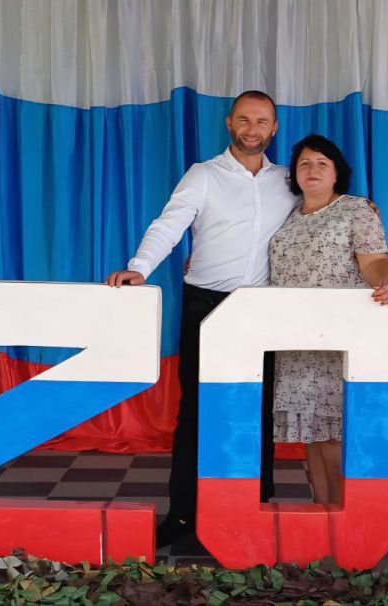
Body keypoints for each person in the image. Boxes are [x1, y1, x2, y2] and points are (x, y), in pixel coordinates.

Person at [105, 91, 298, 548]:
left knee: (258, 410)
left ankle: (255, 507)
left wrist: (360, 208)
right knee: (195, 410)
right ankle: (183, 516)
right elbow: (169, 225)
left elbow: (322, 210)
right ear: (229, 123)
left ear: (274, 128)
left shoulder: (288, 181)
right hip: (206, 305)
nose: (252, 129)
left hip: (262, 309)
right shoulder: (204, 175)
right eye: (244, 120)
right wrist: (140, 267)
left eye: (262, 121)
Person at [268, 134, 388, 504]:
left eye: (322, 164)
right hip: (295, 341)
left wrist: (385, 283)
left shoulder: (356, 210)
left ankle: (345, 519)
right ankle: (322, 513)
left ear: (337, 172)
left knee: (335, 435)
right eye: (305, 163)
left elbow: (374, 260)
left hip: (339, 337)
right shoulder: (287, 216)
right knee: (313, 434)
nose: (312, 170)